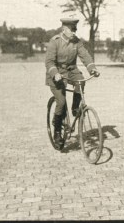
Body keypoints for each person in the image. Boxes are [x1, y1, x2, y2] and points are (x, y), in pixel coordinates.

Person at [45, 18, 100, 150]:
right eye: (72, 29)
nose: (74, 32)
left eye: (75, 29)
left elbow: (85, 56)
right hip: (56, 74)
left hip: (71, 71)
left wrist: (92, 68)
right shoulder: (55, 42)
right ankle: (57, 131)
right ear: (64, 29)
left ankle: (76, 107)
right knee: (61, 102)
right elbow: (49, 62)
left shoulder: (76, 42)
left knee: (81, 81)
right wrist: (55, 73)